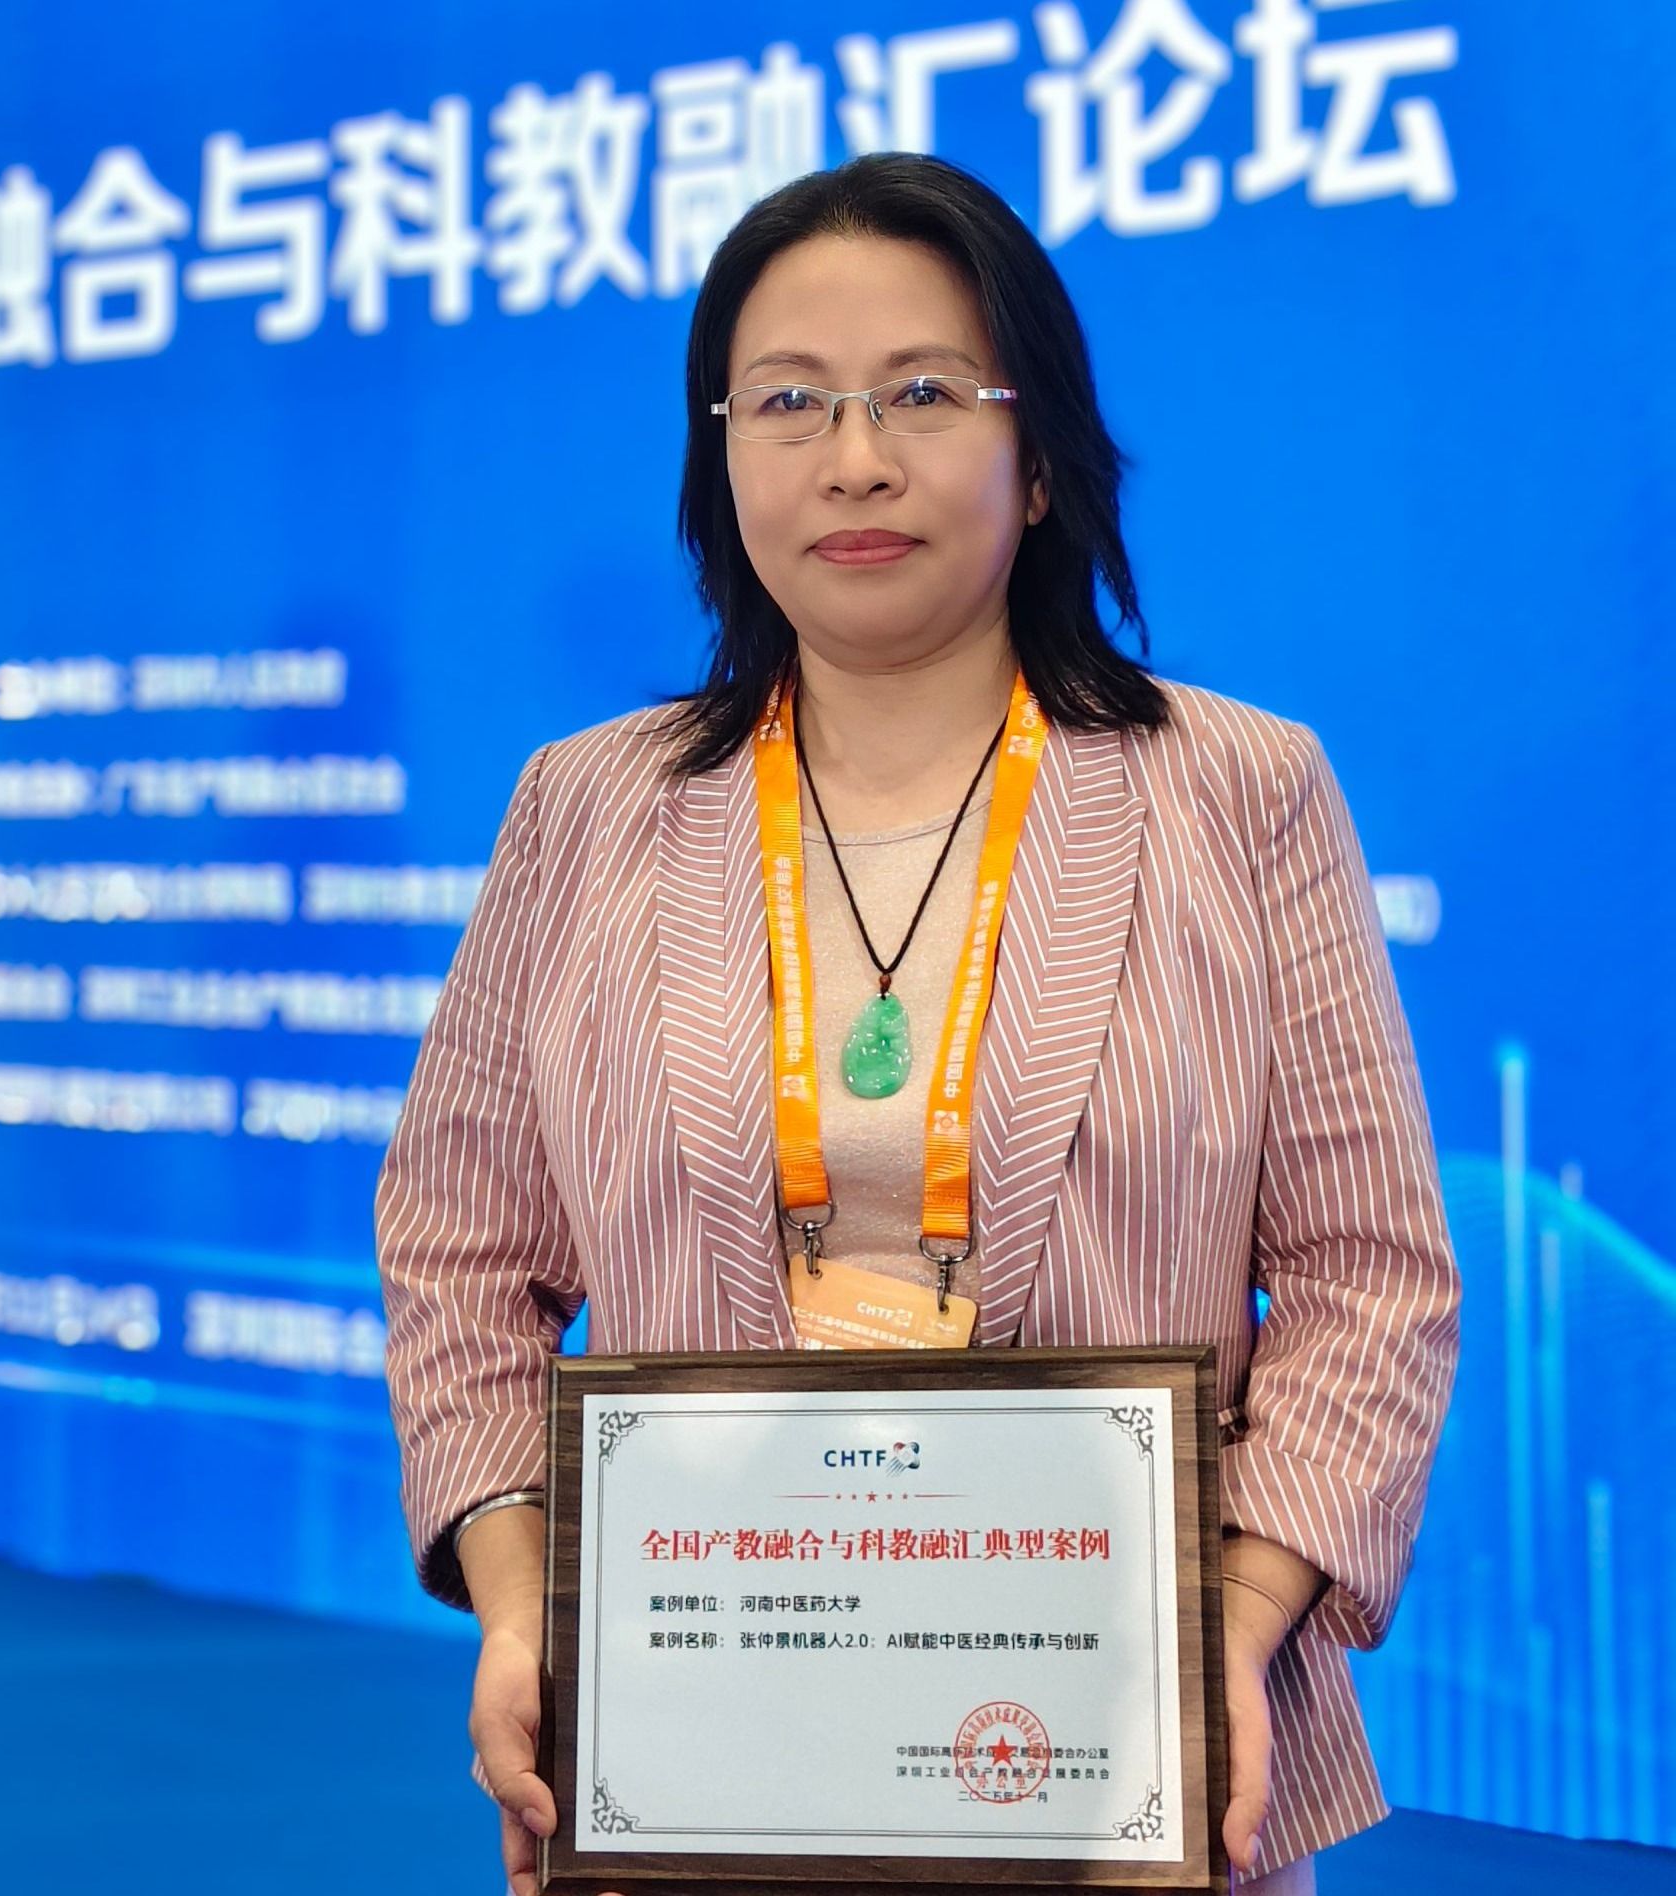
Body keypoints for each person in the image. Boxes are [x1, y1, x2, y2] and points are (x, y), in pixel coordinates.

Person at [375, 152, 1459, 1896]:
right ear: (720, 459)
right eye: (788, 400)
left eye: (926, 394)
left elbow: (1370, 1271)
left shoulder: (1242, 790)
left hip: (1125, 1738)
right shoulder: (586, 809)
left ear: (1043, 460)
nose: (855, 457)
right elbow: (459, 1249)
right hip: (698, 1733)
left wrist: (1235, 1620)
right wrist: (524, 1598)